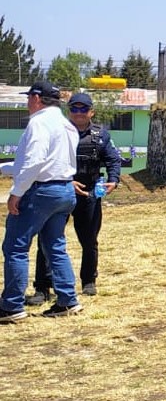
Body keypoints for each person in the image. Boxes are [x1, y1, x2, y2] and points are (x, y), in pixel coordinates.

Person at [1, 81, 82, 322]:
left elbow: (34, 163)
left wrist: (16, 192)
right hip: (64, 189)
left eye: (29, 98)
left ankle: (12, 305)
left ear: (37, 98)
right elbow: (39, 163)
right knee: (55, 246)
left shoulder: (38, 122)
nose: (27, 103)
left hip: (40, 191)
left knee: (16, 246)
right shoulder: (66, 125)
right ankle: (68, 300)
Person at [30, 92, 121, 301]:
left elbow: (114, 160)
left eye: (83, 109)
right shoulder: (56, 132)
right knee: (47, 241)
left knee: (89, 240)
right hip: (59, 190)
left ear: (92, 112)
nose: (78, 113)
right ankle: (43, 287)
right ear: (68, 110)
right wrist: (66, 181)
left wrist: (113, 180)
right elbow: (45, 161)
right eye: (74, 109)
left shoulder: (101, 135)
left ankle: (89, 280)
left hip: (88, 194)